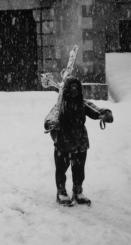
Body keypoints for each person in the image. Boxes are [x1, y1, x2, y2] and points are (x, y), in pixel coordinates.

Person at [44, 76, 113, 206]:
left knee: (79, 170)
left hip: (80, 142)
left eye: (77, 87)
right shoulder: (60, 105)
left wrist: (105, 113)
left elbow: (96, 110)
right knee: (61, 169)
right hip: (63, 142)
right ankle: (61, 192)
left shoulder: (83, 103)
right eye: (71, 87)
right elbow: (49, 119)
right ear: (67, 89)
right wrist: (51, 123)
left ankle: (78, 191)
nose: (74, 90)